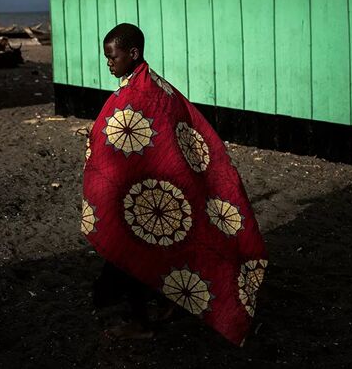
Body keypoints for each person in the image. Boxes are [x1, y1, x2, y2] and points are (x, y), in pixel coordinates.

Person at [81, 23, 268, 346]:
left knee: (134, 254)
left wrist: (98, 136)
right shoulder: (155, 85)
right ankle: (168, 302)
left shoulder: (139, 93)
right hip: (160, 190)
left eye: (112, 57)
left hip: (151, 195)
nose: (108, 63)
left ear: (133, 53)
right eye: (106, 57)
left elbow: (146, 137)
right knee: (155, 253)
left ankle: (141, 324)